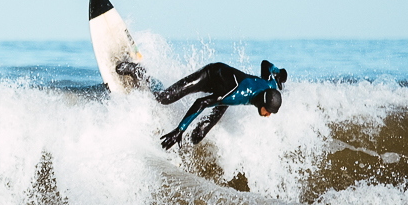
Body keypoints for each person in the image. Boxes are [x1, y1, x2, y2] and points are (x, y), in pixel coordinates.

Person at [117, 59, 287, 150]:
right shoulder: (235, 95)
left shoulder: (270, 86)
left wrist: (279, 74)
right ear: (263, 103)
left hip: (226, 89)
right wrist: (179, 130)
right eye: (268, 112)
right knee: (164, 98)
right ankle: (139, 71)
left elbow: (266, 64)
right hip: (211, 76)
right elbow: (202, 102)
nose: (268, 115)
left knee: (198, 135)